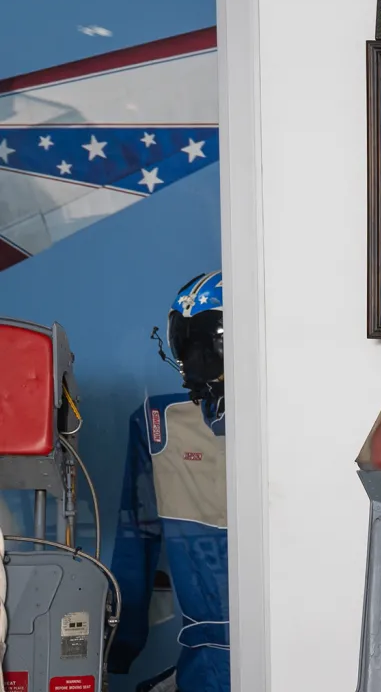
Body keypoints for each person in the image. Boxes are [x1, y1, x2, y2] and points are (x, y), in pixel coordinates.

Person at [109, 271, 231, 692]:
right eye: (185, 338)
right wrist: (120, 644)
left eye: (205, 339)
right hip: (205, 656)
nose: (193, 355)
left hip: (296, 642)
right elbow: (135, 539)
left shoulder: (303, 415)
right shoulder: (158, 422)